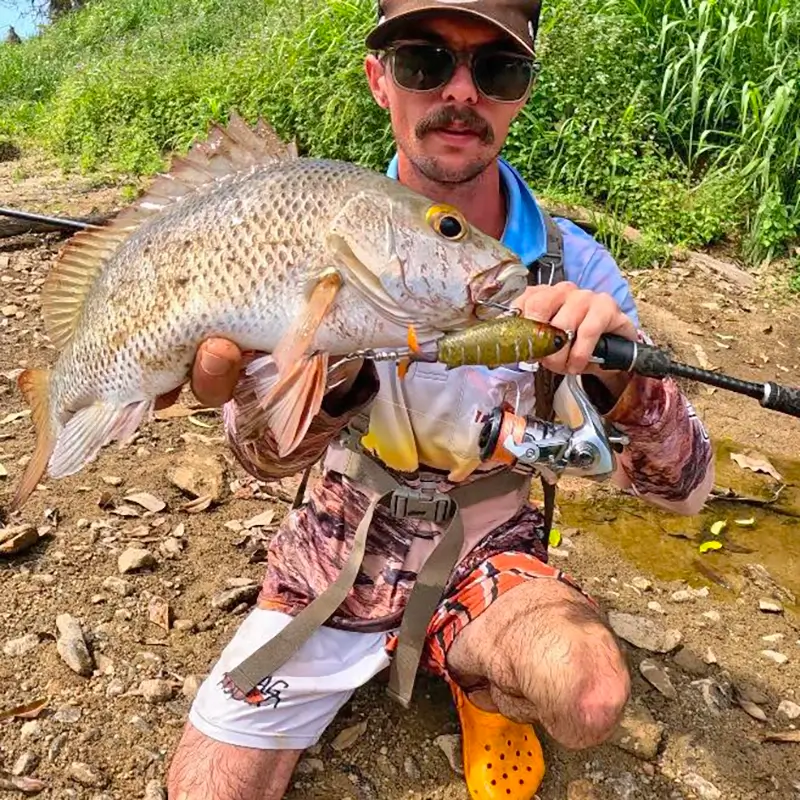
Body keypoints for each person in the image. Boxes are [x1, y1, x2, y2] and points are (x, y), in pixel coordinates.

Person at [165, 1, 715, 798]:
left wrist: (625, 380)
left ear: (521, 92)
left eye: (497, 69)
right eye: (425, 61)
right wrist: (327, 374)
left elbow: (686, 491)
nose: (462, 91)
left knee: (590, 693)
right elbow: (260, 458)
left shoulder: (574, 266)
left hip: (491, 547)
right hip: (334, 550)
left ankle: (476, 672)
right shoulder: (296, 237)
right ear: (380, 81)